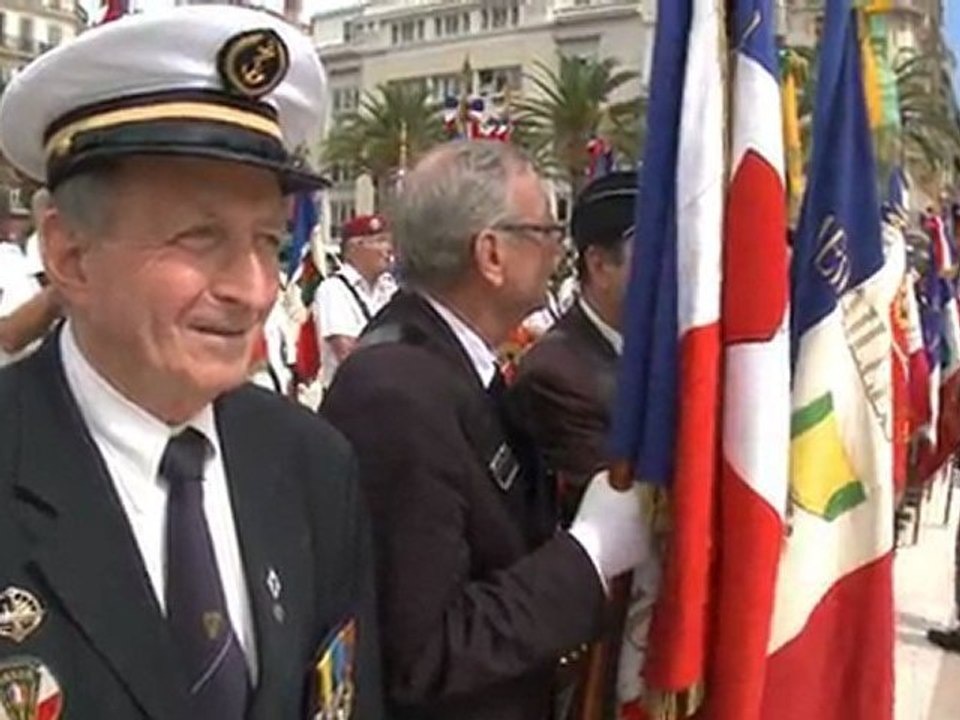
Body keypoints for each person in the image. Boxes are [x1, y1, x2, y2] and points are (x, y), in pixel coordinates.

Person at [0, 7, 381, 720]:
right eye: (200, 237)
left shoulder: (312, 464)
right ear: (70, 256)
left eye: (268, 242)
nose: (254, 290)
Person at [322, 140, 649, 720]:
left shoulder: (448, 364)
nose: (559, 250)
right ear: (492, 254)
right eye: (545, 231)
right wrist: (587, 555)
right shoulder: (395, 393)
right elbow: (425, 654)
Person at [512, 171, 636, 523]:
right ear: (600, 265)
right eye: (658, 253)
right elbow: (621, 509)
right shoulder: (558, 374)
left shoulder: (679, 355)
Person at [314, 213, 396, 387]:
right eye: (380, 241)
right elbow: (346, 352)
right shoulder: (334, 289)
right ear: (354, 248)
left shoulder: (390, 289)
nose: (388, 249)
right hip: (353, 392)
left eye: (389, 242)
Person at [0, 188, 61, 365]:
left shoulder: (9, 260)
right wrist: (59, 293)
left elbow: (11, 337)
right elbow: (11, 336)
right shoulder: (8, 260)